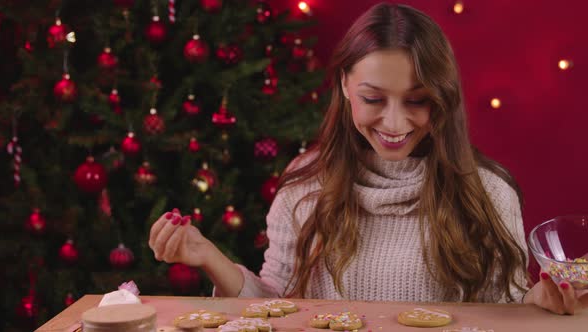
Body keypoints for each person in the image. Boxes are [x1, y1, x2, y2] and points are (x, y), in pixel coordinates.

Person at [149, 2, 587, 314]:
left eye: (417, 101)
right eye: (373, 98)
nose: (394, 123)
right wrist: (208, 255)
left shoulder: (488, 191)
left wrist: (539, 302)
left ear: (443, 99)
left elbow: (507, 311)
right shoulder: (304, 185)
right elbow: (276, 310)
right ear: (343, 84)